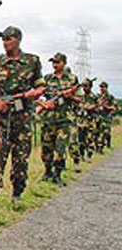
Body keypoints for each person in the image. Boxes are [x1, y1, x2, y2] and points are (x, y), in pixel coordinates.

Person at [0, 26, 45, 209]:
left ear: (18, 40)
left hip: (23, 116)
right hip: (1, 116)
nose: (5, 42)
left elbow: (41, 87)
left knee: (21, 157)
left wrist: (31, 94)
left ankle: (17, 195)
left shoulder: (32, 61)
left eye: (9, 39)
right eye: (3, 39)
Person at [37, 53, 79, 184]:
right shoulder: (47, 78)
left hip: (64, 119)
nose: (55, 65)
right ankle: (47, 171)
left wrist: (68, 96)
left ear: (64, 63)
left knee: (60, 148)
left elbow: (80, 99)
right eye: (53, 62)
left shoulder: (72, 79)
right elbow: (36, 94)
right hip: (48, 119)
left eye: (57, 62)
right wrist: (43, 104)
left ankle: (57, 174)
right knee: (46, 150)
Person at [74, 78, 99, 162]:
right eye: (83, 86)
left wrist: (93, 108)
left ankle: (89, 155)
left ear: (90, 87)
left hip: (90, 121)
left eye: (86, 86)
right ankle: (81, 155)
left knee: (90, 139)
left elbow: (99, 108)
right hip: (80, 121)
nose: (85, 88)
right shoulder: (79, 96)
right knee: (80, 140)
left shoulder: (94, 97)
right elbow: (75, 107)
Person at [96, 81, 117, 151]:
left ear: (106, 88)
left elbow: (114, 107)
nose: (101, 89)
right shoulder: (98, 96)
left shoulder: (110, 97)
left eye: (103, 87)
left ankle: (104, 146)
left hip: (106, 117)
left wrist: (107, 107)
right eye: (100, 87)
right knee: (98, 133)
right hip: (98, 117)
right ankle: (98, 147)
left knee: (106, 132)